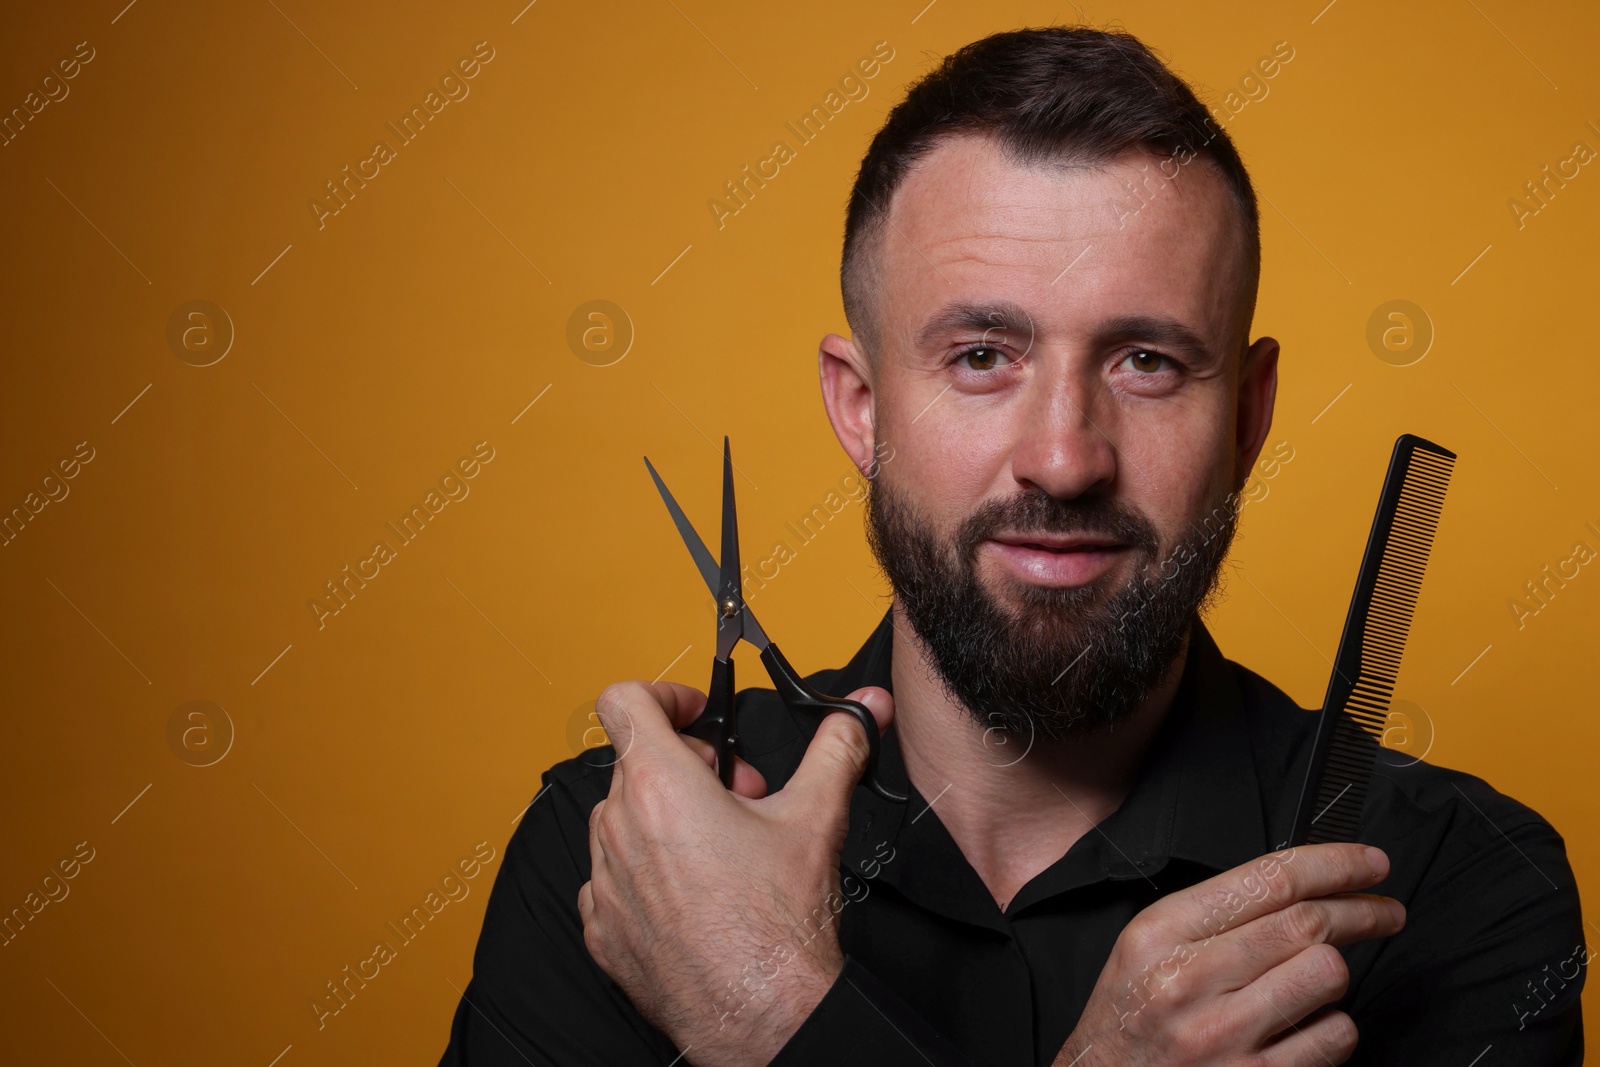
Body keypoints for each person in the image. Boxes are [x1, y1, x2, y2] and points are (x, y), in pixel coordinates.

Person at [438, 25, 1586, 1066]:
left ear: (1244, 413)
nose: (1063, 458)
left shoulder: (1457, 884)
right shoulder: (637, 857)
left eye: (1145, 360)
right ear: (860, 407)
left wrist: (770, 1011)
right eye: (982, 354)